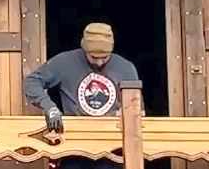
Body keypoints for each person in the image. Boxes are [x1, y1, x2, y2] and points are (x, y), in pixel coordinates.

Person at [22, 22, 139, 169]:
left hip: (111, 147)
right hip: (74, 146)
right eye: (94, 57)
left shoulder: (126, 68)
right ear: (84, 49)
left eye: (104, 57)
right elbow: (32, 81)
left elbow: (136, 107)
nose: (100, 61)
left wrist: (127, 113)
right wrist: (49, 107)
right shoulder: (65, 62)